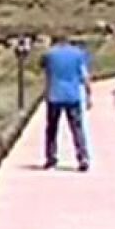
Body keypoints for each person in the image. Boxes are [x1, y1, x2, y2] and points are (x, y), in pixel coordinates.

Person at [41, 36, 91, 170]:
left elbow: (47, 74)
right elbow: (85, 76)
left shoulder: (49, 54)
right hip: (72, 96)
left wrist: (45, 92)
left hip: (54, 95)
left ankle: (51, 158)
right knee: (77, 128)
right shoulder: (78, 54)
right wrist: (88, 94)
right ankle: (83, 157)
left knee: (51, 129)